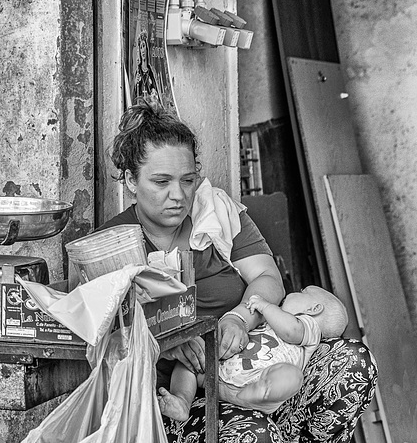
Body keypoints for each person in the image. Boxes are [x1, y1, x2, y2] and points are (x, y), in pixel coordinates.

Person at [98, 98, 378, 442]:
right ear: (130, 180)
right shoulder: (110, 245)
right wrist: (163, 343)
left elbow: (267, 277)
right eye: (161, 182)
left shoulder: (217, 214)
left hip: (266, 371)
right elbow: (102, 336)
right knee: (254, 434)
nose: (178, 195)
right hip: (186, 397)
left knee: (353, 362)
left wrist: (239, 318)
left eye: (188, 180)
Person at [158, 286, 348, 420]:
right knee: (191, 359)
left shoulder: (309, 327)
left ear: (314, 309)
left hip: (260, 377)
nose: (293, 293)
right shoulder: (271, 321)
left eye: (301, 292)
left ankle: (262, 393)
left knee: (290, 376)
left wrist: (266, 306)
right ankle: (182, 400)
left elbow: (291, 331)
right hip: (222, 375)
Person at [133, 30, 162, 105]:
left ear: (147, 48)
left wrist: (153, 91)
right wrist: (136, 83)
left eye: (144, 46)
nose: (142, 50)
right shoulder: (138, 71)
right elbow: (134, 95)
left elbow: (156, 93)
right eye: (141, 47)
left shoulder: (151, 71)